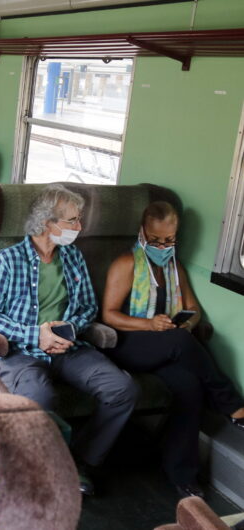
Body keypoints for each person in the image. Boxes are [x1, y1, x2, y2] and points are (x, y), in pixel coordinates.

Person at [0, 184, 138, 496]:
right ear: (48, 223)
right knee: (41, 399)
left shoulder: (73, 257)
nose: (79, 227)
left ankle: (81, 460)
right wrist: (37, 334)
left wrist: (67, 329)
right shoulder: (8, 260)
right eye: (72, 221)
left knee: (123, 389)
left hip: (69, 347)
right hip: (20, 350)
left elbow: (88, 305)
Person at [102, 201, 244, 499]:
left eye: (170, 240)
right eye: (156, 240)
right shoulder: (126, 264)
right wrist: (150, 325)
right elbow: (109, 315)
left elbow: (193, 310)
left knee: (189, 386)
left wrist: (186, 324)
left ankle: (183, 476)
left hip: (166, 346)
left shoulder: (174, 268)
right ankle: (230, 403)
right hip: (127, 343)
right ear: (143, 234)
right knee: (179, 343)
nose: (163, 246)